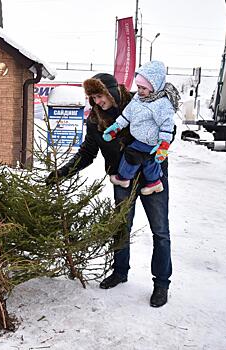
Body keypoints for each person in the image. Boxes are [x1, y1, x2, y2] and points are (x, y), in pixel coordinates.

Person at [45, 72, 172, 308]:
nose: (96, 102)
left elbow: (167, 127)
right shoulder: (95, 121)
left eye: (99, 95)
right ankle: (120, 271)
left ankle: (162, 284)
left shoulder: (141, 102)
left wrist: (155, 151)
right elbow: (87, 153)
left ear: (112, 91)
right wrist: (62, 172)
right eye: (92, 98)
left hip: (151, 177)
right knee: (121, 227)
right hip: (122, 179)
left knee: (160, 231)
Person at [102, 60, 178, 196]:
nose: (140, 91)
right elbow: (127, 114)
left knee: (133, 156)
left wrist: (164, 144)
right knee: (148, 162)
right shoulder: (137, 98)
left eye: (144, 88)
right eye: (139, 87)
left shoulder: (161, 104)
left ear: (154, 87)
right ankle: (154, 183)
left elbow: (167, 125)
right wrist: (116, 127)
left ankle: (124, 178)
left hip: (151, 142)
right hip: (139, 138)